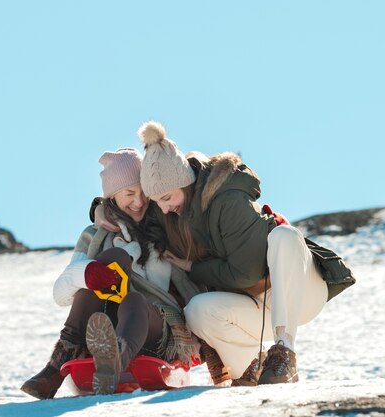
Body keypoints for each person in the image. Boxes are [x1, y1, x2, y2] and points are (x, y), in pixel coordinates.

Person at [137, 121, 356, 386]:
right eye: (157, 201)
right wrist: (104, 211)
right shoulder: (178, 213)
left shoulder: (226, 199)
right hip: (254, 307)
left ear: (184, 182)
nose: (163, 207)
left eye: (167, 197)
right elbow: (133, 213)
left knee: (283, 236)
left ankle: (284, 351)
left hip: (297, 291)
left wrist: (193, 267)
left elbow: (245, 272)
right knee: (197, 311)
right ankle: (251, 368)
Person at [21, 148, 203, 399]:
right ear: (111, 196)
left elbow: (190, 285)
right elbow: (60, 294)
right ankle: (58, 365)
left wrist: (213, 346)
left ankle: (115, 360)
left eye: (143, 194)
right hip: (106, 321)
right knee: (100, 270)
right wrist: (88, 273)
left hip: (155, 326)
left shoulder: (165, 228)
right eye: (129, 193)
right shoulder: (93, 235)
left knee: (134, 300)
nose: (139, 202)